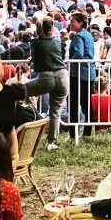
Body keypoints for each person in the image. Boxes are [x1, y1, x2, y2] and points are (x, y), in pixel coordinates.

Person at [24, 16, 67, 149]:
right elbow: (62, 56)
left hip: (46, 77)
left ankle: (34, 118)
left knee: (20, 91)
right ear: (52, 27)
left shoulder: (35, 43)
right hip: (62, 76)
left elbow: (35, 58)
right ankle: (51, 142)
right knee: (55, 111)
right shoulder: (60, 41)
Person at [66, 10, 96, 140]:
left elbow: (78, 53)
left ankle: (73, 133)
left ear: (80, 23)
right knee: (86, 103)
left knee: (73, 103)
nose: (70, 24)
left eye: (73, 21)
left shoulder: (78, 36)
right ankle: (88, 131)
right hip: (89, 73)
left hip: (78, 73)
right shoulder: (88, 35)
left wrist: (68, 60)